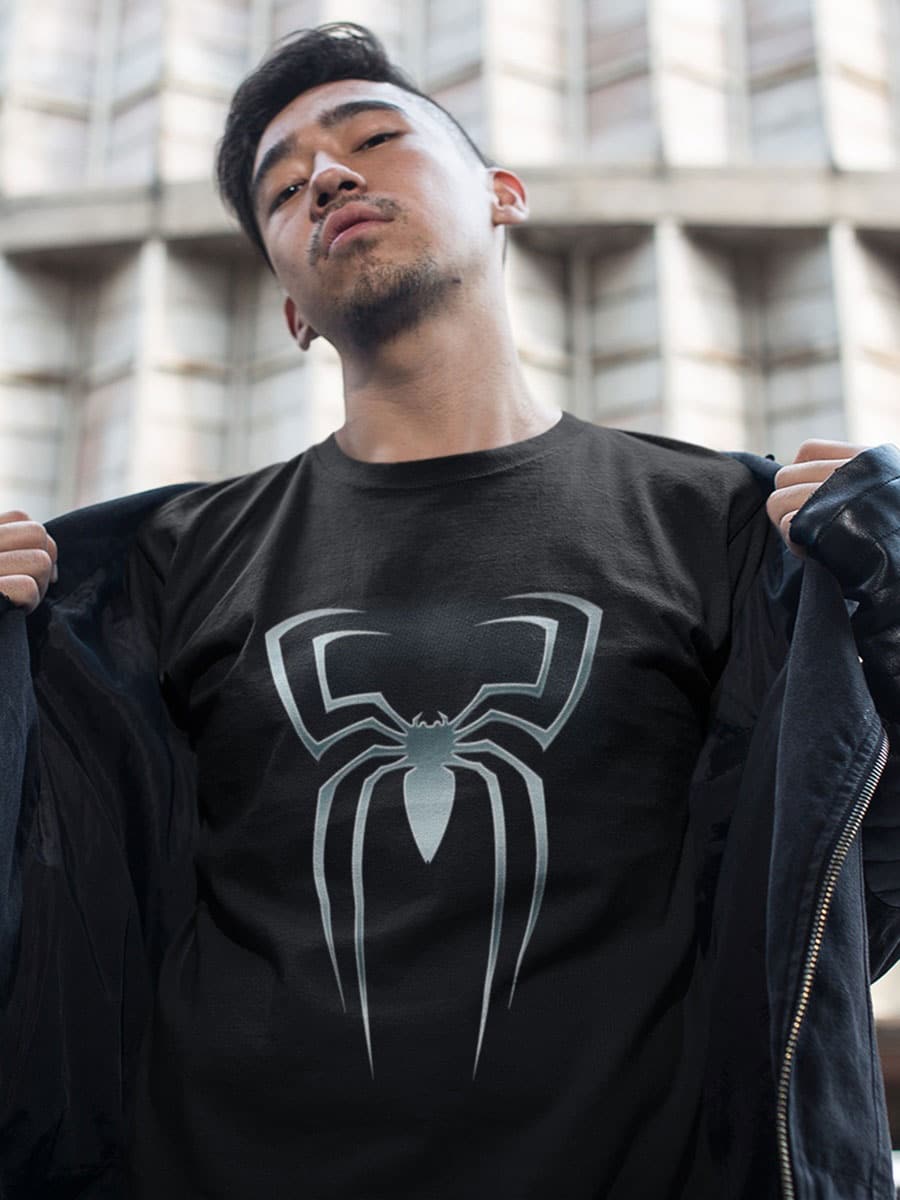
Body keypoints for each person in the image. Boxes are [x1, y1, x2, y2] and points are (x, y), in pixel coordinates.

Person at [1, 20, 899, 1200]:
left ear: (501, 194)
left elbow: (832, 910)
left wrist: (892, 608)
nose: (327, 177)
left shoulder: (725, 528)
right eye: (283, 190)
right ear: (290, 309)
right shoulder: (152, 573)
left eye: (373, 138)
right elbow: (43, 909)